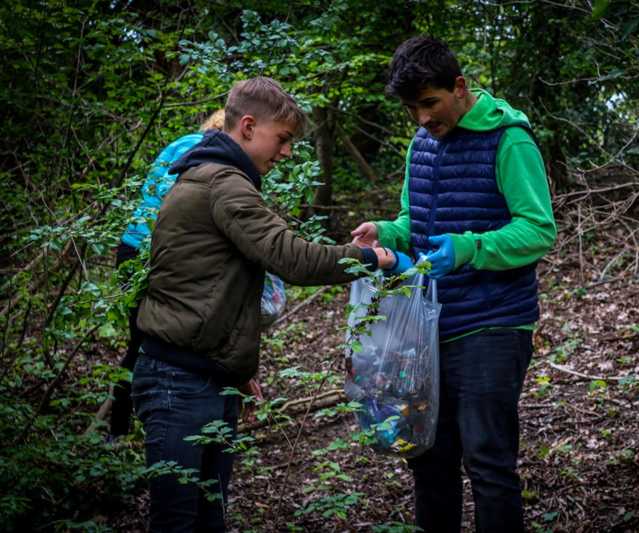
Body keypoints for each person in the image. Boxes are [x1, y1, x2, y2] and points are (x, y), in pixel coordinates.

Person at [133, 76, 408, 532]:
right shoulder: (223, 183)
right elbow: (290, 257)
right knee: (179, 523)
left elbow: (210, 287)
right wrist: (369, 258)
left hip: (201, 375)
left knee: (207, 519)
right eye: (281, 139)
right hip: (178, 384)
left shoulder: (210, 175)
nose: (285, 152)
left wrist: (235, 368)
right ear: (246, 126)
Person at [351, 36, 557, 533]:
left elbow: (538, 229)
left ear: (459, 87)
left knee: (487, 459)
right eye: (411, 108)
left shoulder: (509, 140)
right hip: (428, 327)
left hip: (492, 322)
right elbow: (414, 222)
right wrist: (386, 232)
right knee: (428, 458)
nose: (422, 118)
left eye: (429, 103)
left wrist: (470, 248)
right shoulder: (421, 144)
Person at [109, 109, 226, 439]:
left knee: (138, 338)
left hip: (130, 246)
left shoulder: (179, 144)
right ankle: (138, 426)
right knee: (148, 342)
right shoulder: (206, 154)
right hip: (154, 250)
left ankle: (121, 428)